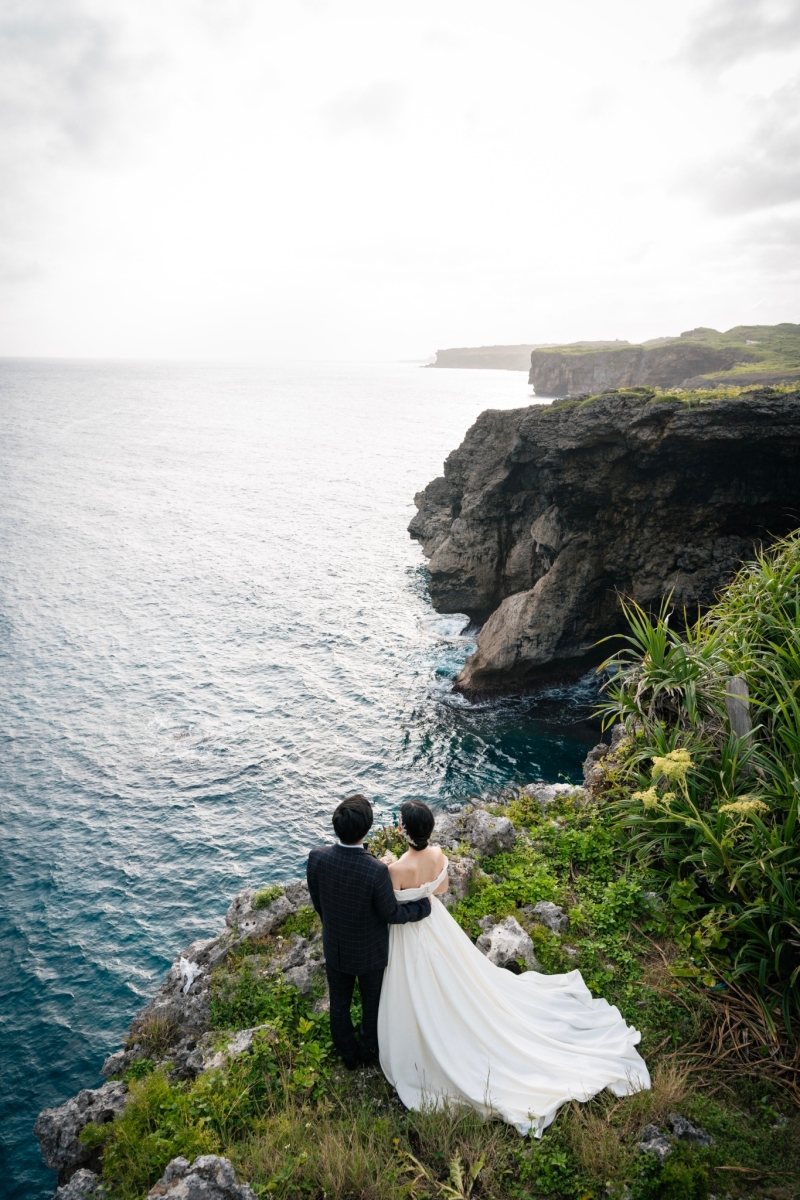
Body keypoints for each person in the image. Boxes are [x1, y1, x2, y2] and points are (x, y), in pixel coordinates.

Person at [377, 799, 651, 1137]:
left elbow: (391, 906)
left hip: (410, 935)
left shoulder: (395, 870)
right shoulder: (436, 855)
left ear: (403, 830)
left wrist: (388, 867)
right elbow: (441, 889)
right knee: (459, 977)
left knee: (417, 985)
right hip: (437, 926)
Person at [306, 793, 432, 1068]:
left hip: (335, 947)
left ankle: (348, 1056)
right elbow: (392, 914)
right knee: (371, 1006)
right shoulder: (375, 871)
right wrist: (422, 908)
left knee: (339, 1005)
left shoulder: (317, 858)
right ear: (366, 830)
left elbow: (318, 902)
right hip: (370, 953)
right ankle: (368, 1052)